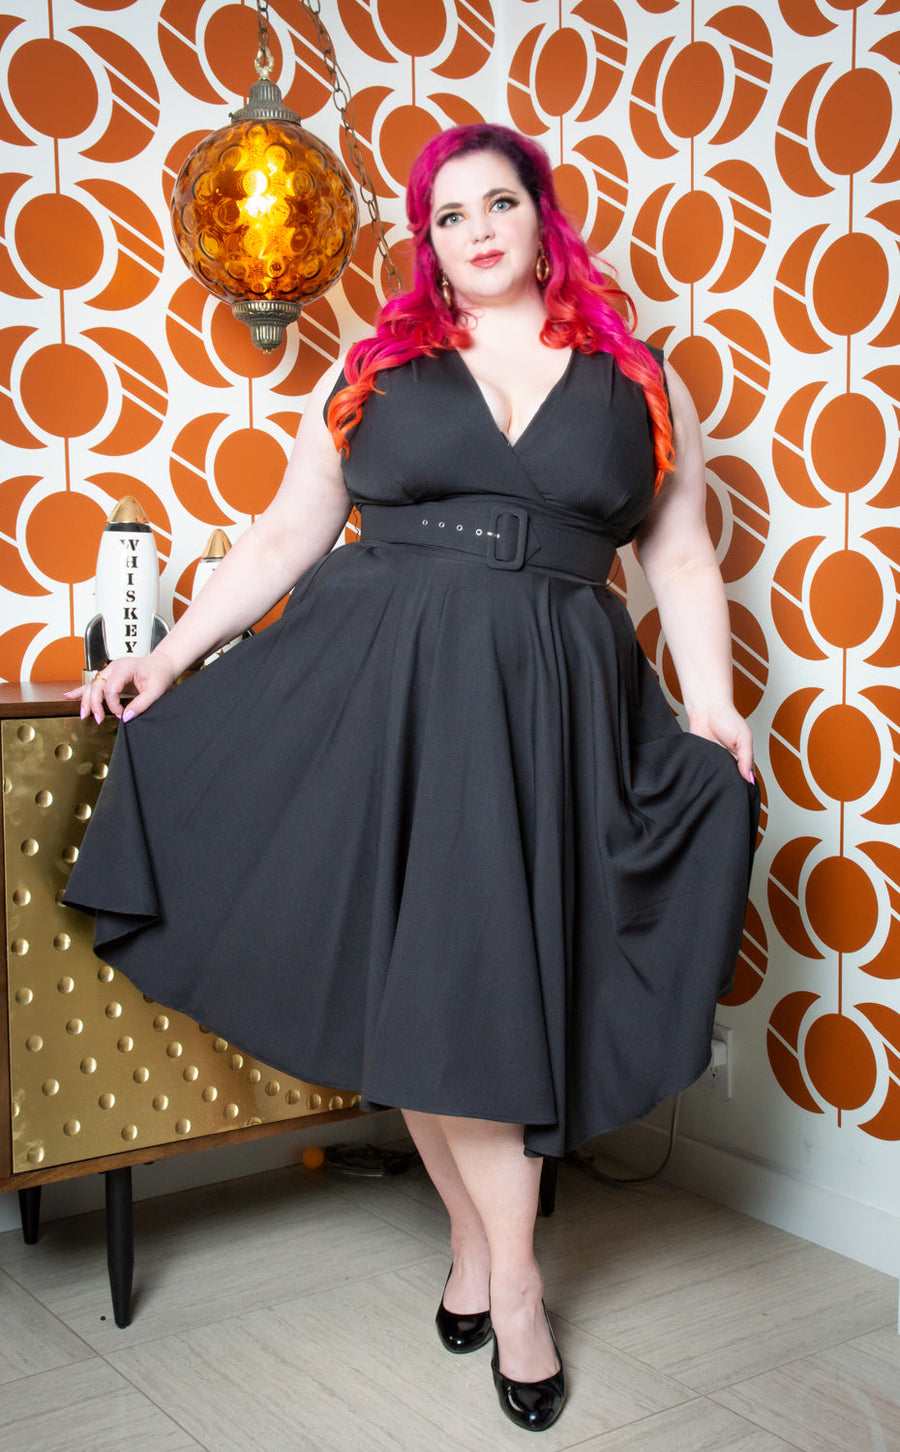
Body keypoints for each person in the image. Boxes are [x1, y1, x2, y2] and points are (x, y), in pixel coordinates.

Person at [65, 123, 758, 1434]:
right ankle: (513, 1286)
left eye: (499, 203)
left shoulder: (639, 377)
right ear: (426, 242)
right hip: (382, 692)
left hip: (548, 707)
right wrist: (166, 656)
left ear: (542, 218)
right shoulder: (376, 366)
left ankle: (483, 1261)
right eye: (448, 215)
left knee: (465, 995)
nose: (476, 230)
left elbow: (679, 558)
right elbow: (287, 535)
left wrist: (715, 706)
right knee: (434, 993)